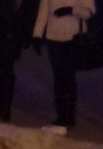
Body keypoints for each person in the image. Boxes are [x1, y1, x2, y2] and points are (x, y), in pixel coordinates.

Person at [32, 0, 97, 128]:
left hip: (73, 38)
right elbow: (43, 12)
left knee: (68, 76)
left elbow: (90, 11)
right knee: (59, 77)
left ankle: (69, 116)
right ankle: (61, 116)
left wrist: (71, 10)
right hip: (53, 39)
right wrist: (37, 35)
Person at [0, 0, 39, 122]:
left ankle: (5, 105)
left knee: (7, 69)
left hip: (11, 32)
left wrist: (27, 34)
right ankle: (2, 99)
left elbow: (28, 10)